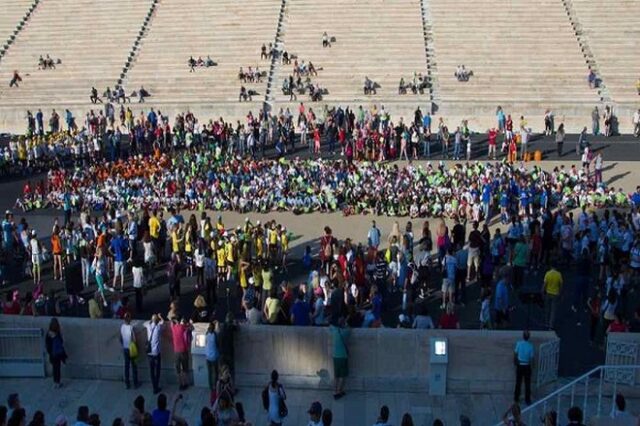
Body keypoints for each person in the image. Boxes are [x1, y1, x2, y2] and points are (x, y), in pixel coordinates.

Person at [171, 316, 193, 390]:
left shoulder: (173, 327)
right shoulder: (182, 327)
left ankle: (180, 384)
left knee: (178, 370)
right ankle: (185, 383)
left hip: (176, 351)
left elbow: (171, 322)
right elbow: (190, 327)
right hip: (183, 351)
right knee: (185, 369)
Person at [513, 330, 534, 405]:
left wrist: (515, 362)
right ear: (529, 337)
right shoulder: (531, 346)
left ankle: (516, 398)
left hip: (520, 365)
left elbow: (515, 354)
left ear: (523, 336)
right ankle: (527, 399)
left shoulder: (519, 343)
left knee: (518, 382)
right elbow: (531, 359)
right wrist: (532, 367)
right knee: (527, 383)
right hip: (527, 366)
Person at [45, 317, 67, 388]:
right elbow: (61, 341)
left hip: (53, 354)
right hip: (58, 353)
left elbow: (47, 345)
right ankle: (58, 382)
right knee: (58, 368)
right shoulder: (57, 333)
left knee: (54, 368)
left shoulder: (48, 334)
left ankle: (55, 382)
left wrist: (49, 352)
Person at [120, 312, 140, 389]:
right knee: (134, 366)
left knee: (126, 367)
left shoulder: (122, 327)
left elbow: (120, 338)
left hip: (125, 349)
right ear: (129, 319)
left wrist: (124, 345)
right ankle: (135, 383)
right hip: (131, 349)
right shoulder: (131, 328)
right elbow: (134, 340)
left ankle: (127, 383)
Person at [331, 318, 349, 399]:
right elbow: (349, 327)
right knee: (342, 376)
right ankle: (339, 391)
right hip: (343, 356)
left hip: (335, 356)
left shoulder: (334, 331)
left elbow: (330, 324)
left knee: (336, 375)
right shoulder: (346, 332)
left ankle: (334, 391)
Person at [146, 313, 164, 394]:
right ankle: (156, 387)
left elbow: (146, 323)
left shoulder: (148, 326)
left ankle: (154, 386)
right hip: (156, 353)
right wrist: (160, 317)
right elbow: (163, 322)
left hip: (149, 353)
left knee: (151, 372)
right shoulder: (158, 327)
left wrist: (152, 319)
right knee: (157, 371)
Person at [542, 263, 563, 329]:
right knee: (553, 311)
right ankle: (551, 325)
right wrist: (560, 293)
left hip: (548, 293)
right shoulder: (559, 274)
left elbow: (545, 284)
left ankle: (546, 323)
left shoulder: (548, 273)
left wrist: (543, 292)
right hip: (555, 294)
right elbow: (561, 285)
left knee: (547, 309)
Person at [205, 321, 220, 401]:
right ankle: (216, 386)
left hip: (208, 356)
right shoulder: (215, 335)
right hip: (214, 356)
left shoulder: (206, 334)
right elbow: (218, 344)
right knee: (216, 372)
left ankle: (211, 387)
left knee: (210, 372)